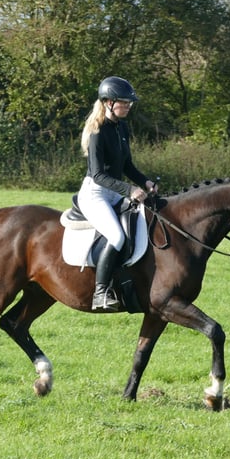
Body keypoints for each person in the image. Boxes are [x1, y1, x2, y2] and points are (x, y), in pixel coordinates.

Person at [78, 76, 158, 311]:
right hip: (96, 194)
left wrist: (145, 182)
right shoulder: (97, 132)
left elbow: (127, 166)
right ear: (108, 102)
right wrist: (130, 189)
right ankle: (101, 293)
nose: (128, 106)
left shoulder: (121, 127)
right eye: (124, 102)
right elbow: (98, 175)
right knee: (117, 237)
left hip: (114, 191)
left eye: (129, 103)